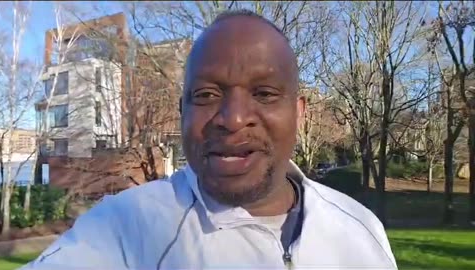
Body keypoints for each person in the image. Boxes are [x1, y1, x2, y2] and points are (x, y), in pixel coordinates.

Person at [22, 10, 397, 270]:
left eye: (264, 93)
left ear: (299, 113)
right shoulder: (125, 230)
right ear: (182, 111)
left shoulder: (360, 230)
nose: (233, 120)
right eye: (205, 95)